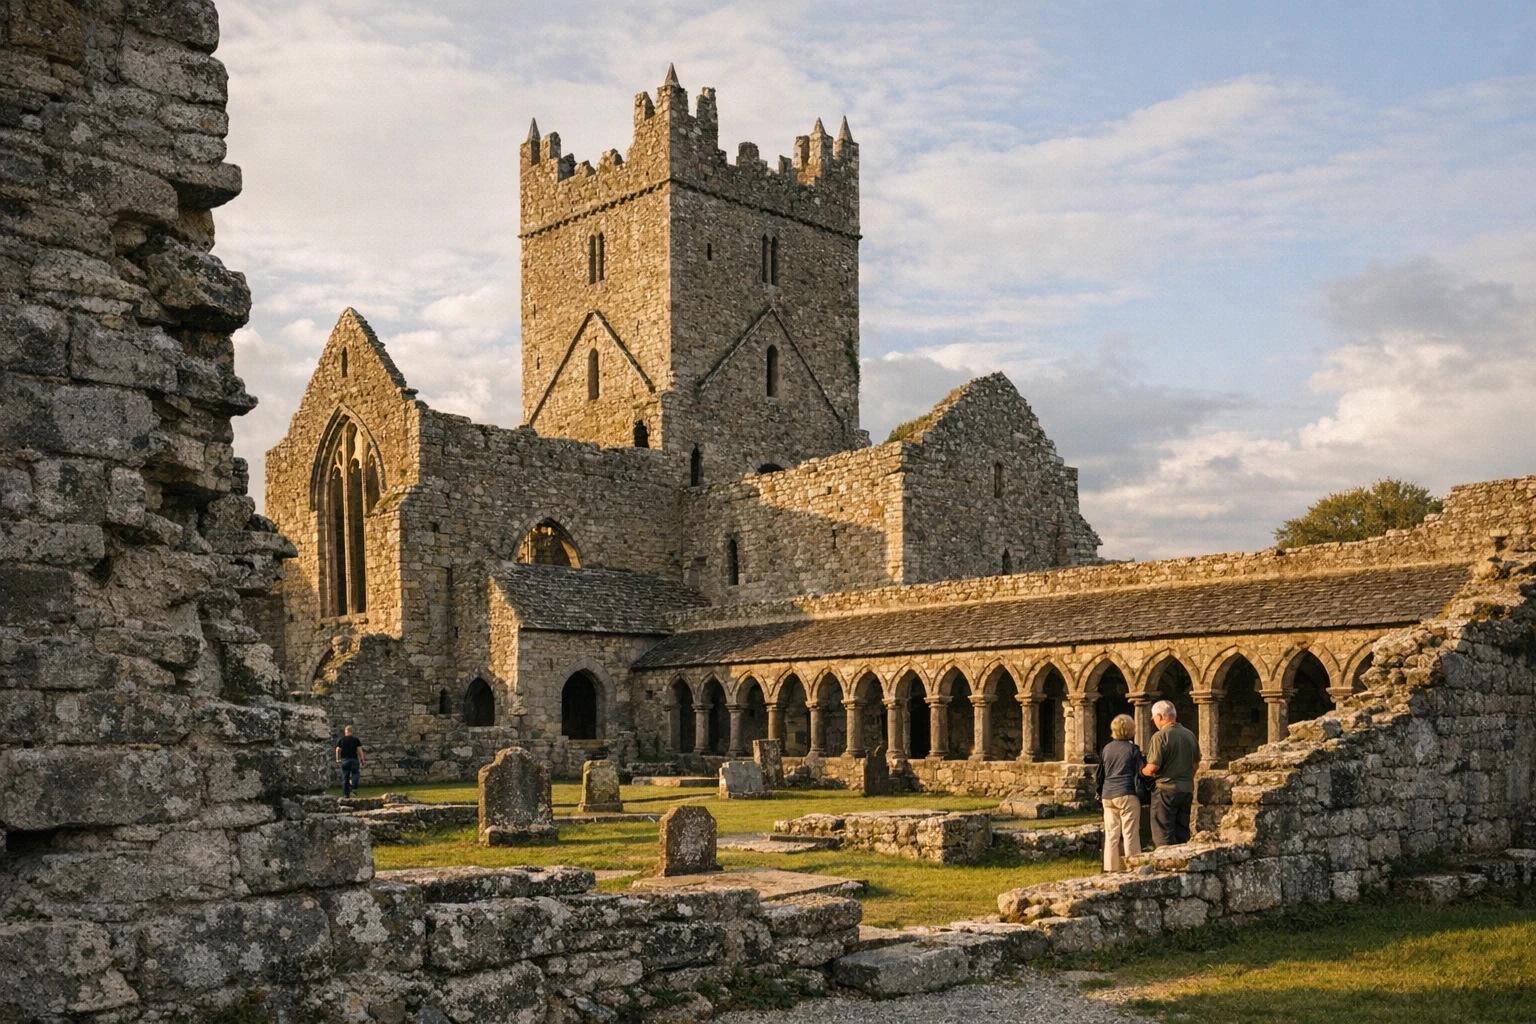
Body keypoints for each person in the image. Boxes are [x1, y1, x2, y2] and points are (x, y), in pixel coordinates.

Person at [1141, 699, 1200, 846]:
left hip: (1165, 790)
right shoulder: (1189, 735)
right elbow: (1196, 764)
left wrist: (1141, 771)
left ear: (1160, 717)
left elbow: (1153, 767)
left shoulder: (1160, 737)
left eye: (1154, 718)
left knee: (1163, 835)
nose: (1154, 721)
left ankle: (1166, 865)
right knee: (1182, 834)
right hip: (1186, 790)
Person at [1095, 713, 1145, 872]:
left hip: (1108, 794)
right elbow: (1140, 772)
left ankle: (1111, 869)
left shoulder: (1107, 748)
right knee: (1130, 833)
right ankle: (1134, 867)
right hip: (1126, 792)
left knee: (1111, 835)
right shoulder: (1132, 749)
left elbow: (1100, 773)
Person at [335, 725, 365, 798]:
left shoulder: (341, 739)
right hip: (354, 759)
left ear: (346, 731)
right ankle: (354, 787)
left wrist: (337, 759)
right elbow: (360, 750)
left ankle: (346, 795)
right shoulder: (355, 739)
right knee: (355, 773)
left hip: (345, 760)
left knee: (345, 777)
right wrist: (362, 758)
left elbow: (338, 750)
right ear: (352, 731)